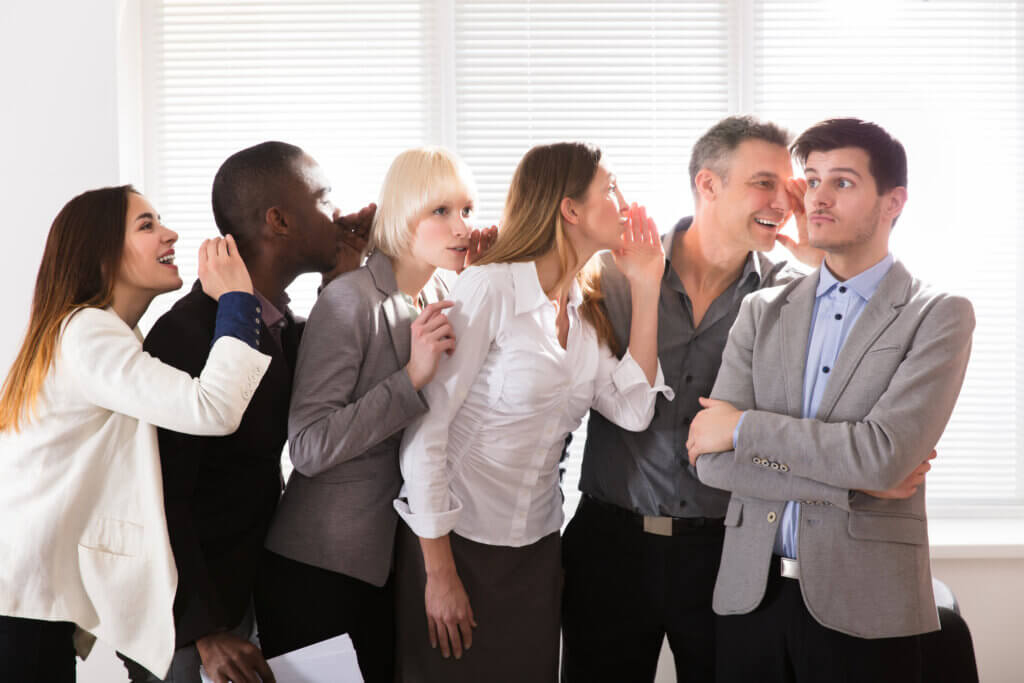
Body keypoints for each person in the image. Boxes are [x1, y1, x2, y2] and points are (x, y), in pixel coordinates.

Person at [687, 118, 974, 682]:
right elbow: (710, 460)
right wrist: (848, 481)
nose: (817, 196)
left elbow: (882, 456)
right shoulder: (761, 311)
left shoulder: (937, 315)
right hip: (751, 599)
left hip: (868, 607)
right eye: (812, 179)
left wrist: (744, 426)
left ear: (894, 202)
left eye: (841, 182)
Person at [394, 141, 673, 683]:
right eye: (610, 189)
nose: (624, 202)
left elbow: (634, 410)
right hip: (456, 545)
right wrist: (439, 571)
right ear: (570, 209)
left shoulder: (582, 311)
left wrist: (646, 285)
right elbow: (427, 430)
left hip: (538, 553)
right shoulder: (490, 286)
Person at [561, 115, 816, 682]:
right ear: (708, 184)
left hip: (729, 553)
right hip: (610, 549)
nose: (784, 200)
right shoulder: (612, 276)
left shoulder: (795, 296)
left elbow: (882, 331)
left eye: (789, 186)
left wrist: (819, 255)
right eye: (764, 183)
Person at [117, 141, 375, 683]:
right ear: (279, 220)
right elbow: (157, 496)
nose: (340, 212)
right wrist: (204, 631)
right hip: (188, 627)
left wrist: (343, 277)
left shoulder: (280, 325)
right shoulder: (188, 335)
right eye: (324, 198)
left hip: (243, 597)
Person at [0, 185, 271, 682]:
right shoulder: (88, 332)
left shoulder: (87, 333)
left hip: (26, 597)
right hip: (23, 605)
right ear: (101, 254)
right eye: (146, 225)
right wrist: (238, 299)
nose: (169, 234)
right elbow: (212, 408)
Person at [255, 146, 494, 683]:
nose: (461, 226)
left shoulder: (438, 293)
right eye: (441, 211)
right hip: (315, 571)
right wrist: (411, 378)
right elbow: (309, 447)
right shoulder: (349, 300)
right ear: (404, 213)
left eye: (468, 210)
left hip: (382, 569)